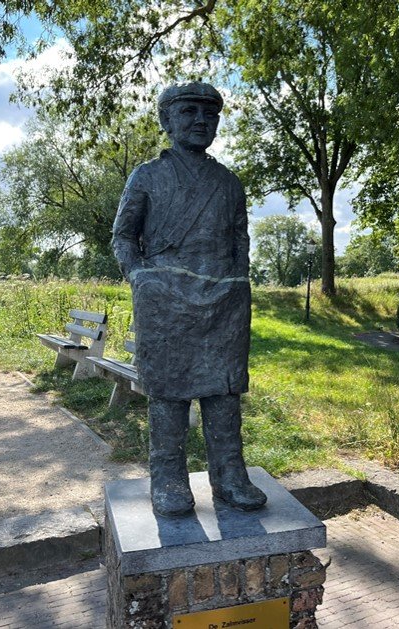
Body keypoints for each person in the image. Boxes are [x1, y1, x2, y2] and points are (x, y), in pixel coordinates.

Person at [112, 82, 267, 517]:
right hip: (165, 302)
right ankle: (168, 478)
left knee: (224, 392)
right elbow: (124, 238)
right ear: (167, 120)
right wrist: (140, 276)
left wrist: (238, 280)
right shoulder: (146, 177)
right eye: (189, 112)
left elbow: (239, 238)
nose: (201, 120)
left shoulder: (228, 182)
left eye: (210, 113)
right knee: (169, 394)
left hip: (224, 303)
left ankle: (230, 476)